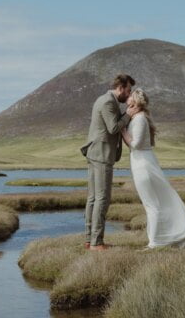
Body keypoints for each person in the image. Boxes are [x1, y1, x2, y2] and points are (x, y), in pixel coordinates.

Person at [122, 88, 185, 249]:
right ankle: (158, 239)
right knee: (152, 204)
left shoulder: (140, 119)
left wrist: (122, 131)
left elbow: (136, 144)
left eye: (129, 99)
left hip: (143, 165)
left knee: (151, 205)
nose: (127, 101)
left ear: (135, 103)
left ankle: (154, 243)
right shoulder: (139, 118)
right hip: (142, 163)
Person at [82, 74, 137, 251]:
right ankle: (97, 242)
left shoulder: (105, 100)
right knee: (102, 199)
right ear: (120, 87)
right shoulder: (107, 102)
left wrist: (124, 114)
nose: (129, 95)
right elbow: (113, 127)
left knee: (92, 198)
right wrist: (128, 115)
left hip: (96, 153)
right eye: (128, 91)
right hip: (101, 155)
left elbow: (111, 123)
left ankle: (89, 240)